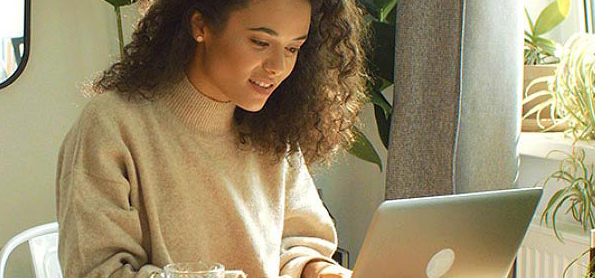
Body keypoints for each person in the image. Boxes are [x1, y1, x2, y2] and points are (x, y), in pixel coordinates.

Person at [55, 0, 369, 277]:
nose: (278, 67)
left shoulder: (274, 128)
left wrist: (318, 271)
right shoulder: (112, 125)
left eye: (292, 48)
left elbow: (300, 242)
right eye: (260, 42)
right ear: (200, 26)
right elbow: (97, 271)